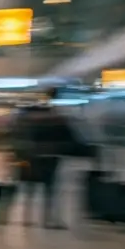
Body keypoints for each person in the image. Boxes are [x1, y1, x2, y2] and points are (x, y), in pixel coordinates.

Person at [12, 88, 78, 228]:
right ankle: (48, 219)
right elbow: (68, 137)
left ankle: (26, 218)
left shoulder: (29, 114)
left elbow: (19, 135)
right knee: (50, 189)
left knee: (29, 187)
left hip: (31, 156)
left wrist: (19, 154)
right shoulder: (58, 115)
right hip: (50, 156)